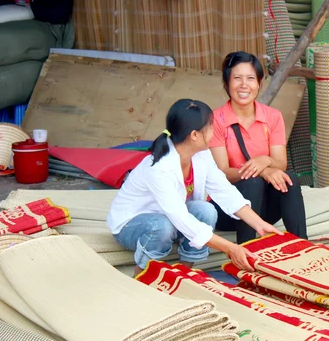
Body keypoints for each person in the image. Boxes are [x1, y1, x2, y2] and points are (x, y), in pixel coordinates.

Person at [107, 98, 283, 276]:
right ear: (194, 135)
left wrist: (260, 224)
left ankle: (184, 273)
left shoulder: (201, 154)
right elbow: (181, 219)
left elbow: (225, 191)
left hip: (168, 218)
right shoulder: (159, 169)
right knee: (161, 226)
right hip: (131, 226)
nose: (214, 132)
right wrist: (231, 248)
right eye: (210, 127)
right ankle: (141, 277)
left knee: (206, 210)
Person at [209, 51, 307, 244]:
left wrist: (266, 161)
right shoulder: (216, 120)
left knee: (289, 179)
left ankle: (303, 245)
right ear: (227, 82)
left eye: (250, 78)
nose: (244, 85)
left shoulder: (272, 117)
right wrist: (259, 171)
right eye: (237, 78)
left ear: (259, 83)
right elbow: (222, 172)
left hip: (265, 210)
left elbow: (280, 163)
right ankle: (246, 251)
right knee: (251, 181)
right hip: (229, 210)